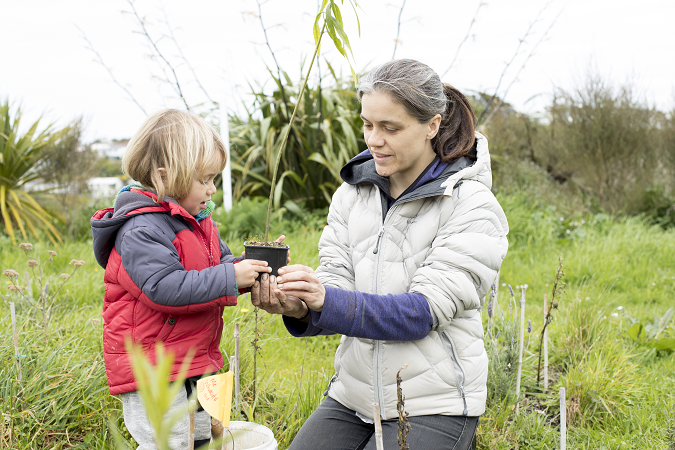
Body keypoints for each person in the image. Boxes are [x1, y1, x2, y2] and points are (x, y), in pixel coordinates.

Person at [251, 59, 509, 450]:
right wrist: (300, 306)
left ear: (432, 125)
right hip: (353, 397)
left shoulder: (471, 204)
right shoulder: (352, 194)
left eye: (390, 128)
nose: (374, 140)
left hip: (434, 403)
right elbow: (335, 284)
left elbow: (423, 312)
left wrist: (327, 299)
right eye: (368, 125)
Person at [91, 109, 275, 449]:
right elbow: (164, 289)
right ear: (165, 176)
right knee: (171, 442)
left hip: (198, 359)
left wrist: (252, 269)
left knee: (206, 439)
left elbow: (220, 265)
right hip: (157, 369)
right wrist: (230, 276)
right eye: (204, 180)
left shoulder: (200, 222)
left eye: (213, 179)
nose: (212, 189)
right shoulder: (140, 229)